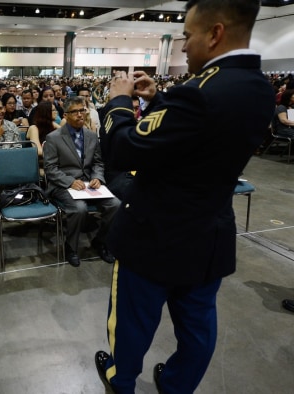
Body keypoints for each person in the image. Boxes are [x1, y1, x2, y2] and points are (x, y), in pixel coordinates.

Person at [94, 1, 275, 393]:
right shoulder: (259, 87)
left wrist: (119, 102)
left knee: (132, 321)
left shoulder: (200, 92)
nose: (185, 46)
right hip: (207, 234)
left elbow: (124, 151)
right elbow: (190, 140)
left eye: (188, 37)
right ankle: (177, 386)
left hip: (154, 235)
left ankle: (121, 380)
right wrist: (161, 101)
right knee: (197, 326)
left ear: (216, 34)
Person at [43, 96, 120, 268]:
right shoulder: (54, 137)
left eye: (82, 110)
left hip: (89, 184)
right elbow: (50, 168)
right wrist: (70, 181)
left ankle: (101, 241)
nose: (80, 115)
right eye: (75, 111)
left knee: (116, 205)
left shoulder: (91, 136)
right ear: (66, 115)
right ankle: (71, 247)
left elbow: (98, 162)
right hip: (63, 184)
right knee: (79, 208)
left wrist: (97, 177)